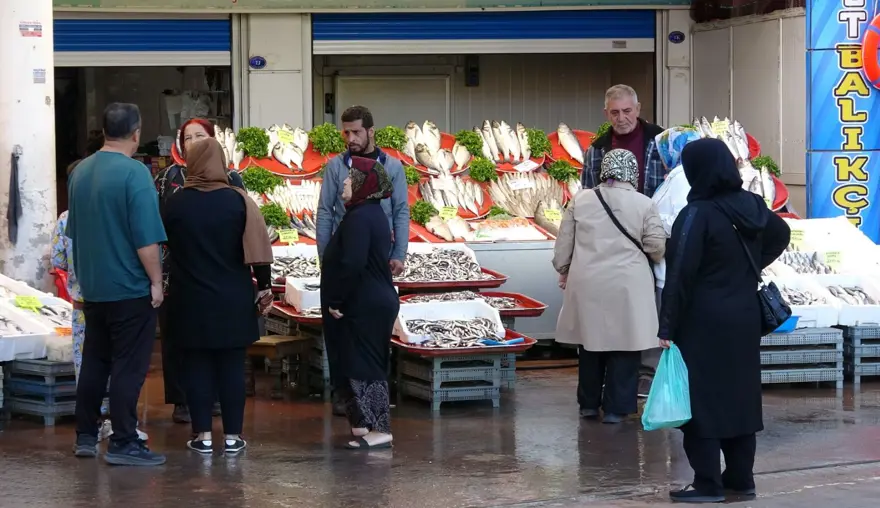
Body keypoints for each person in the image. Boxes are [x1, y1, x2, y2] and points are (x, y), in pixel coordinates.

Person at [660, 138, 789, 503]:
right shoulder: (752, 203)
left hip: (703, 319)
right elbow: (781, 234)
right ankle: (741, 480)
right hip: (745, 316)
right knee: (740, 396)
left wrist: (666, 326)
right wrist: (747, 269)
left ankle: (708, 485)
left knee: (701, 400)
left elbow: (680, 273)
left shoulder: (697, 213)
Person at [67, 102, 167, 466]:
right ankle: (124, 441)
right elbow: (146, 239)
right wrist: (156, 281)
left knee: (95, 360)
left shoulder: (80, 172)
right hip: (128, 287)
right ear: (136, 133)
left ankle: (85, 436)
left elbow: (73, 231)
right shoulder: (135, 174)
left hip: (93, 287)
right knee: (128, 366)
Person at [162, 138, 274, 455]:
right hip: (233, 299)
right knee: (230, 368)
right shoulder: (239, 201)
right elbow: (259, 250)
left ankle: (202, 437)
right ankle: (233, 437)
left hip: (190, 299)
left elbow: (164, 245)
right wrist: (264, 286)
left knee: (196, 367)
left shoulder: (177, 204)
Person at [553, 149, 666, 424]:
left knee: (590, 344)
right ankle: (617, 408)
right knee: (625, 346)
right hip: (628, 285)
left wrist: (564, 269)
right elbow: (655, 246)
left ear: (604, 170)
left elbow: (563, 247)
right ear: (632, 172)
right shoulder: (644, 203)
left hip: (587, 282)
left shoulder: (580, 201)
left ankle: (589, 404)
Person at [316, 105, 409, 416]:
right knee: (339, 330)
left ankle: (371, 404)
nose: (351, 138)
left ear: (371, 131)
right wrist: (325, 256)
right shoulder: (335, 167)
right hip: (344, 258)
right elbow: (325, 211)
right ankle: (346, 394)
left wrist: (399, 254)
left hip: (376, 262)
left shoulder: (393, 167)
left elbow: (401, 211)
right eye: (346, 132)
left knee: (368, 332)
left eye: (356, 131)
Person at [155, 118, 243, 424]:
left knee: (218, 340)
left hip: (223, 271)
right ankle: (181, 400)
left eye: (199, 136)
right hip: (175, 272)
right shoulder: (168, 179)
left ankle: (214, 400)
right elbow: (156, 226)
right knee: (178, 339)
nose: (192, 142)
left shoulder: (232, 179)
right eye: (187, 137)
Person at [581, 84, 667, 397]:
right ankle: (614, 376)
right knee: (611, 309)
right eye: (615, 112)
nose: (622, 118)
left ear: (638, 109)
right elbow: (587, 195)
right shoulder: (597, 148)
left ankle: (647, 372)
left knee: (649, 308)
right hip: (610, 240)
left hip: (651, 233)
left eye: (627, 111)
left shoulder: (660, 142)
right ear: (606, 114)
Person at [320, 156, 400, 449]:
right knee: (359, 361)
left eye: (350, 178)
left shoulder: (360, 218)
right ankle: (364, 424)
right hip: (372, 300)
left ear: (363, 185)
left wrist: (337, 298)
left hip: (366, 302)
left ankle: (381, 429)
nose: (343, 181)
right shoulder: (368, 213)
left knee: (368, 364)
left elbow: (352, 262)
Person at [650, 126, 703, 305]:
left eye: (663, 150)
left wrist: (649, 220)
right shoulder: (681, 175)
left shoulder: (683, 177)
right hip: (669, 269)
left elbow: (681, 222)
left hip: (671, 272)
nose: (661, 157)